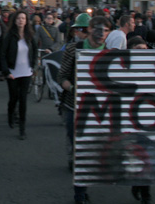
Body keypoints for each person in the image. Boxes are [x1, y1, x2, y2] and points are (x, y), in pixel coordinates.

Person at [58, 15, 111, 204]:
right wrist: (73, 88)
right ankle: (80, 193)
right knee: (80, 150)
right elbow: (62, 76)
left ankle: (84, 187)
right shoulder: (74, 49)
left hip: (100, 110)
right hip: (76, 106)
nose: (102, 34)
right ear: (89, 29)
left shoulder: (111, 52)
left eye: (106, 30)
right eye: (98, 29)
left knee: (94, 150)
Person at [0, 10, 38, 140]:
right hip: (13, 72)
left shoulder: (30, 36)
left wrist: (34, 67)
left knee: (23, 100)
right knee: (13, 97)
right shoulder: (9, 36)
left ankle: (22, 128)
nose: (21, 20)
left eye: (23, 18)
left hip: (26, 71)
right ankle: (10, 113)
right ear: (15, 21)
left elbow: (35, 52)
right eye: (19, 18)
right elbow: (2, 54)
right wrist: (6, 72)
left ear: (26, 21)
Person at [126, 37, 153, 204]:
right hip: (130, 119)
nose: (142, 52)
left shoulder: (153, 66)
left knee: (147, 155)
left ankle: (145, 192)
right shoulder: (124, 67)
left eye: (144, 49)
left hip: (149, 118)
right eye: (138, 49)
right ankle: (137, 183)